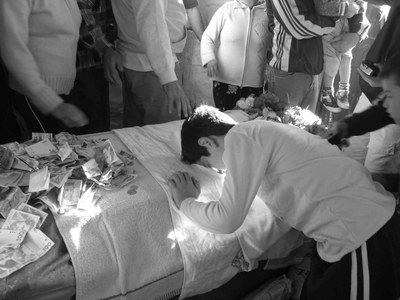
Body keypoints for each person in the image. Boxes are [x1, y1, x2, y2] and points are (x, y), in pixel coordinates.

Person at [168, 105, 400, 300]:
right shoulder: (262, 133)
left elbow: (227, 219)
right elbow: (282, 203)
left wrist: (185, 201)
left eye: (209, 165)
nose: (220, 170)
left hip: (364, 231)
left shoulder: (240, 138)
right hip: (353, 232)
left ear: (207, 143)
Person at [326, 0, 400, 191]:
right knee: (349, 163)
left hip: (392, 110)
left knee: (374, 184)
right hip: (374, 94)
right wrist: (346, 127)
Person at [0, 0, 88, 137]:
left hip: (63, 92)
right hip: (34, 94)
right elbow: (12, 49)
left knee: (69, 152)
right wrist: (52, 103)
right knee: (48, 154)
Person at [265, 0, 368, 113]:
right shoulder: (342, 11)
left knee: (305, 126)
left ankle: (338, 90)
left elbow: (359, 7)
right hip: (290, 70)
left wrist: (356, 35)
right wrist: (343, 12)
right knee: (281, 125)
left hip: (318, 67)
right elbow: (298, 26)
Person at [108, 0, 192, 127]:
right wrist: (168, 78)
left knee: (138, 135)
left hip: (140, 63)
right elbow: (152, 26)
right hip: (152, 68)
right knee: (164, 135)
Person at [201, 0, 269, 111]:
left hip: (254, 84)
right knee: (225, 121)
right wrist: (210, 59)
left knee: (249, 121)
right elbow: (208, 37)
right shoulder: (227, 9)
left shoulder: (268, 12)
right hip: (224, 81)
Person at [71, 0, 118, 134]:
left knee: (100, 123)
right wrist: (106, 49)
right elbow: (84, 25)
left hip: (99, 64)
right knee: (90, 127)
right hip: (82, 67)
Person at [315, 0, 368, 113]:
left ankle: (343, 90)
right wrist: (347, 8)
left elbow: (361, 5)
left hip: (346, 27)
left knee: (347, 58)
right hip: (330, 27)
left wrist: (359, 7)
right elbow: (321, 6)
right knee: (332, 60)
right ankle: (327, 92)